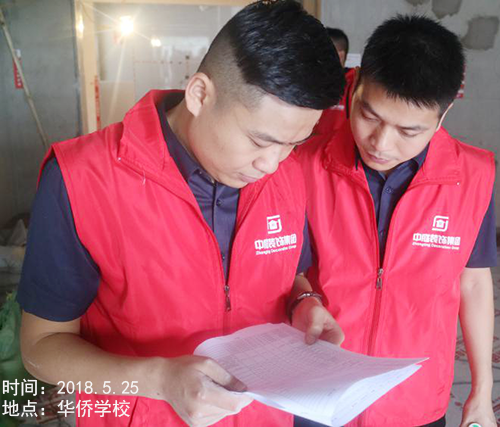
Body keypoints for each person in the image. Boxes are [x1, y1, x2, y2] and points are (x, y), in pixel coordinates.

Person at [17, 1, 345, 426]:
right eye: (260, 141)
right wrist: (159, 380)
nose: (272, 164)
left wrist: (304, 302)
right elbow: (41, 347)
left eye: (293, 144)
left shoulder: (288, 171)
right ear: (200, 94)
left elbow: (288, 274)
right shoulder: (82, 178)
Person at [296, 15, 497, 427]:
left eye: (408, 131)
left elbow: (474, 283)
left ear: (443, 113)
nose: (380, 144)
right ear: (354, 86)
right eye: (369, 115)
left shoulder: (473, 177)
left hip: (414, 397)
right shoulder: (304, 165)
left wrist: (482, 391)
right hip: (319, 389)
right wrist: (305, 300)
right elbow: (286, 269)